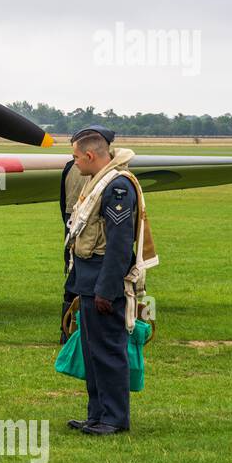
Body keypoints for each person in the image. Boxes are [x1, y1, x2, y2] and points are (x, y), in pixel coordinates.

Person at [64, 128, 137, 435]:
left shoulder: (118, 187)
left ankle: (114, 418)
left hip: (102, 282)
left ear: (90, 155)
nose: (74, 163)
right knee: (92, 354)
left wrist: (107, 289)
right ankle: (97, 415)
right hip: (88, 279)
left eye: (76, 157)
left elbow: (120, 245)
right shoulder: (99, 182)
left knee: (107, 352)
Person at [57, 125, 112, 343]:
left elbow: (63, 203)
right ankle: (74, 331)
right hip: (91, 235)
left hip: (74, 227)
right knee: (81, 283)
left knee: (73, 282)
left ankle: (68, 331)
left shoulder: (70, 167)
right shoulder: (110, 174)